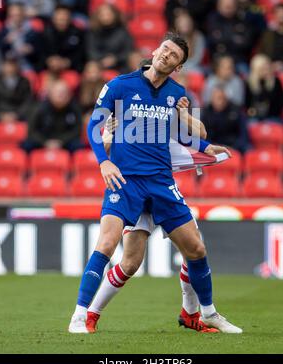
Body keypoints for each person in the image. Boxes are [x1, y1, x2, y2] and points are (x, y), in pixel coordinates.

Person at [68, 33, 243, 334]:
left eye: (174, 55)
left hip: (161, 183)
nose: (166, 55)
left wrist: (205, 145)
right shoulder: (120, 85)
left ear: (178, 66)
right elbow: (94, 124)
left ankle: (207, 313)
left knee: (196, 249)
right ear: (154, 51)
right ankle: (81, 316)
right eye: (165, 49)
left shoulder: (177, 94)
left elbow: (190, 135)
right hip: (126, 181)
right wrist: (104, 161)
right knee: (110, 246)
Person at [23, 79, 83, 152]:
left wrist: (61, 141)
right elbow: (32, 131)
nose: (61, 95)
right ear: (50, 94)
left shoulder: (75, 109)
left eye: (64, 93)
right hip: (43, 140)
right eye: (58, 92)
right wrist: (45, 142)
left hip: (65, 141)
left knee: (78, 146)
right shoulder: (39, 108)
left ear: (69, 95)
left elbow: (77, 130)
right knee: (26, 145)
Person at [86, 3, 133, 73]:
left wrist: (115, 59)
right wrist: (102, 59)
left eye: (108, 14)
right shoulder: (93, 32)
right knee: (91, 66)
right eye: (103, 15)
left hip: (120, 64)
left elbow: (128, 50)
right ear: (97, 16)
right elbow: (91, 51)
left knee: (134, 59)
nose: (106, 17)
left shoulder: (122, 31)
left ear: (115, 15)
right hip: (98, 64)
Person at [201, 86, 249, 153]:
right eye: (216, 98)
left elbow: (243, 134)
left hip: (233, 146)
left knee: (247, 149)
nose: (219, 101)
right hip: (212, 147)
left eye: (221, 98)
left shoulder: (236, 110)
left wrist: (234, 147)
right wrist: (211, 147)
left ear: (226, 98)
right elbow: (203, 136)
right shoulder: (205, 112)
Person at [42, 4, 86, 72]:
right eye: (60, 19)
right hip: (48, 68)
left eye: (65, 19)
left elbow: (81, 52)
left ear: (70, 18)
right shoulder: (45, 32)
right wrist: (48, 60)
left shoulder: (78, 33)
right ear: (54, 18)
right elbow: (40, 52)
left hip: (72, 68)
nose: (62, 22)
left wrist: (68, 61)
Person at [245, 54, 283, 122]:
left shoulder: (276, 81)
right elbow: (247, 103)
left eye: (267, 67)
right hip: (254, 117)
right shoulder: (249, 82)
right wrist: (252, 112)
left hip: (272, 116)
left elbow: (280, 102)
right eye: (262, 68)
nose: (265, 70)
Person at [258, 4, 283, 72]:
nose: (281, 15)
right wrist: (270, 64)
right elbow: (262, 51)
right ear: (274, 15)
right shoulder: (267, 35)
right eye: (278, 13)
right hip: (269, 65)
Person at [0, 54, 33, 122]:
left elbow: (28, 101)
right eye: (7, 65)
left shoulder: (24, 81)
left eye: (12, 65)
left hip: (19, 114)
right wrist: (0, 115)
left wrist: (17, 115)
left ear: (17, 66)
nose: (9, 68)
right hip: (0, 114)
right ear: (2, 66)